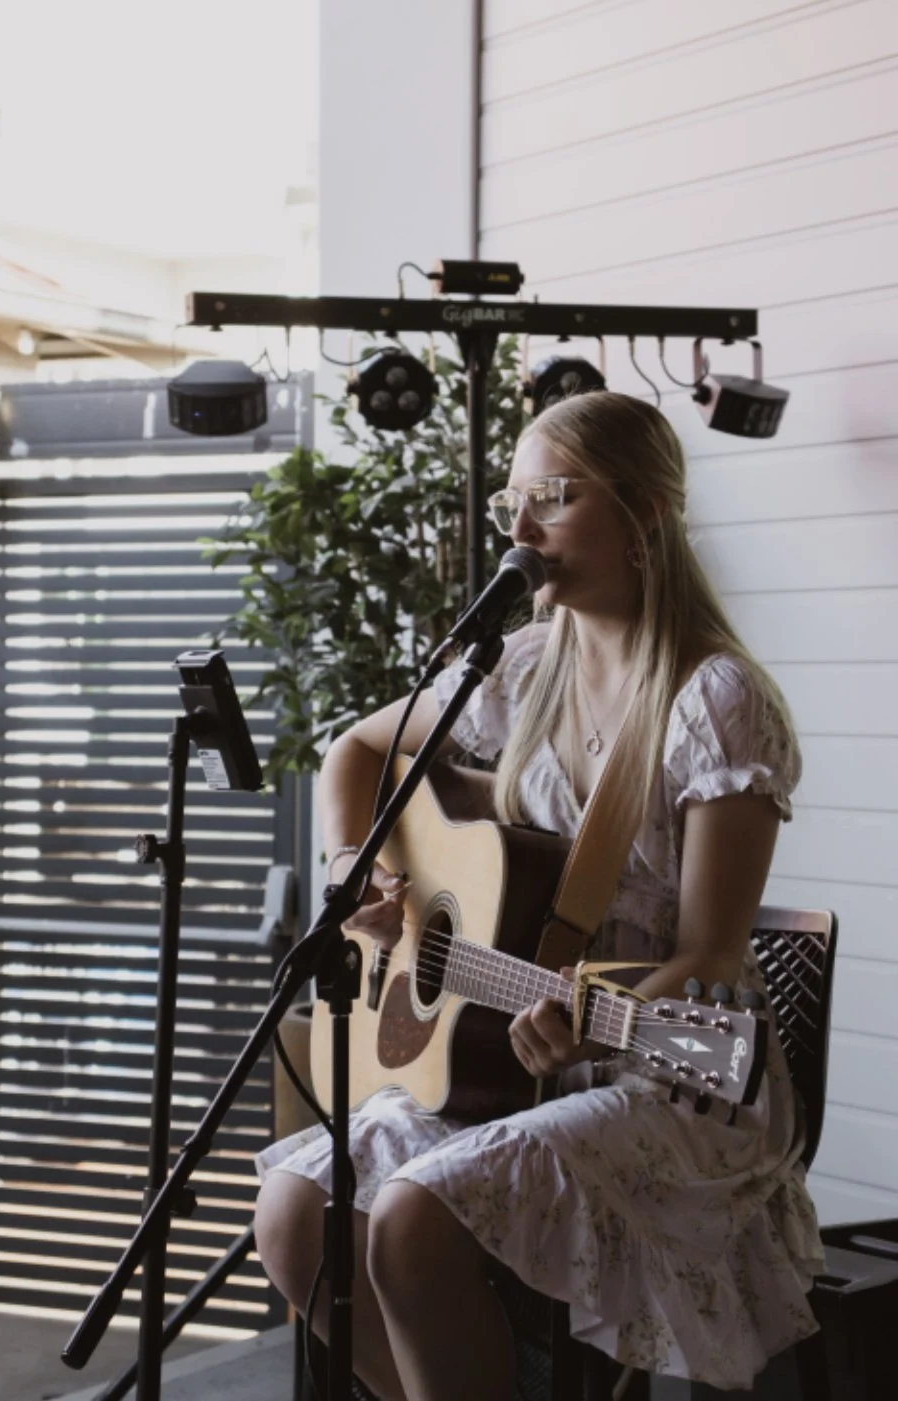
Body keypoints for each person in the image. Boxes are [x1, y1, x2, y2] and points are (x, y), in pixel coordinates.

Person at [252, 391, 824, 1401]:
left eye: (551, 500)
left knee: (412, 1219)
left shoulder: (717, 700)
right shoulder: (520, 670)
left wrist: (596, 1019)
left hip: (671, 1065)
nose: (518, 532)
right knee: (295, 1208)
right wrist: (356, 871)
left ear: (645, 512)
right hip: (509, 1049)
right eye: (512, 502)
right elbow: (355, 749)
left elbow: (715, 955)